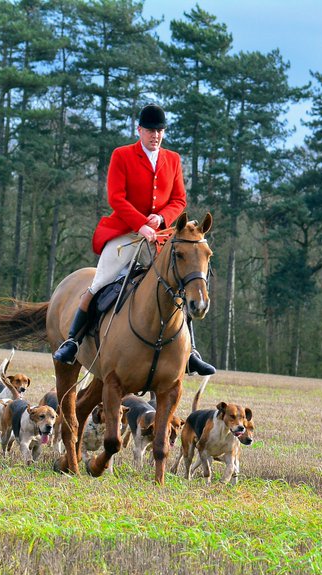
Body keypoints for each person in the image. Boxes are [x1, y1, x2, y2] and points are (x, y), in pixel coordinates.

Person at [52, 104, 215, 376]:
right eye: (151, 130)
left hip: (161, 236)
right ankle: (72, 341)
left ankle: (191, 353)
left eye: (160, 130)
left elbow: (179, 200)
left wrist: (161, 219)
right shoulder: (122, 155)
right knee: (100, 282)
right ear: (139, 130)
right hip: (124, 234)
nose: (156, 135)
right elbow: (116, 197)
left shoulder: (173, 159)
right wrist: (141, 224)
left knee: (180, 285)